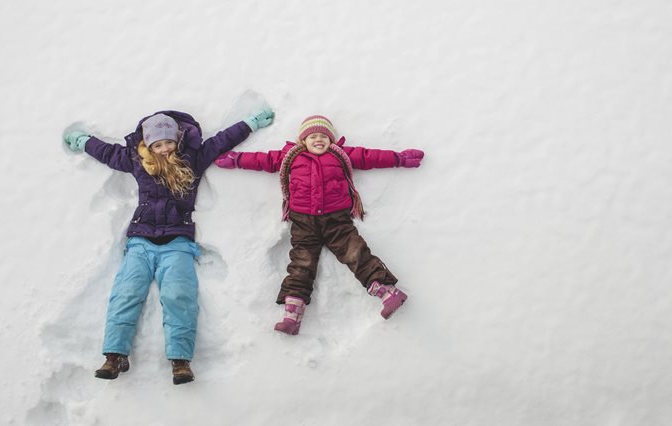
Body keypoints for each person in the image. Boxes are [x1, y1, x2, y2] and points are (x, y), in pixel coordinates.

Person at [63, 109, 273, 383]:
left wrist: (250, 123)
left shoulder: (193, 158)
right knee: (126, 294)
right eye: (157, 144)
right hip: (140, 241)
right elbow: (108, 153)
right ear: (148, 144)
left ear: (178, 139)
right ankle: (114, 356)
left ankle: (180, 360)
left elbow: (222, 141)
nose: (164, 149)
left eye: (169, 142)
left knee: (179, 296)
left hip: (178, 242)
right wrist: (83, 142)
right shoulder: (137, 159)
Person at [214, 114, 423, 335]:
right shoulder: (289, 156)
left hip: (336, 220)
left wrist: (399, 158)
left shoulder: (341, 154)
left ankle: (388, 293)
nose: (318, 140)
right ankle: (292, 314)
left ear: (331, 140)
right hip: (303, 222)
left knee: (356, 253)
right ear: (302, 140)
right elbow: (262, 160)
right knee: (301, 263)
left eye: (323, 136)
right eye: (312, 136)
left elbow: (369, 157)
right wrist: (237, 159)